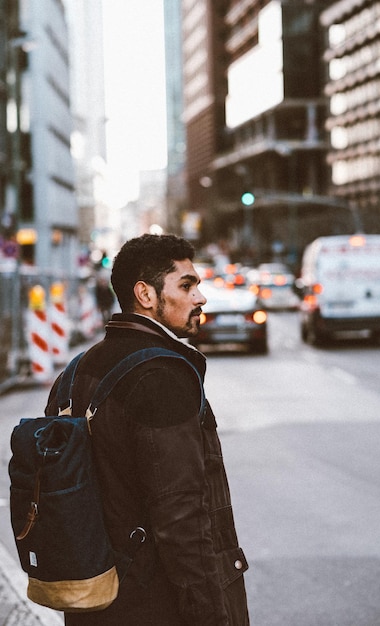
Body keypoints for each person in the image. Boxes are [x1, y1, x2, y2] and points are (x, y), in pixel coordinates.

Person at [45, 233, 250, 626]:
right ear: (146, 294)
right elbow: (182, 520)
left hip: (91, 600)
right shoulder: (161, 379)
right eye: (187, 286)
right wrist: (212, 617)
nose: (200, 298)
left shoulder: (74, 373)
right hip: (155, 605)